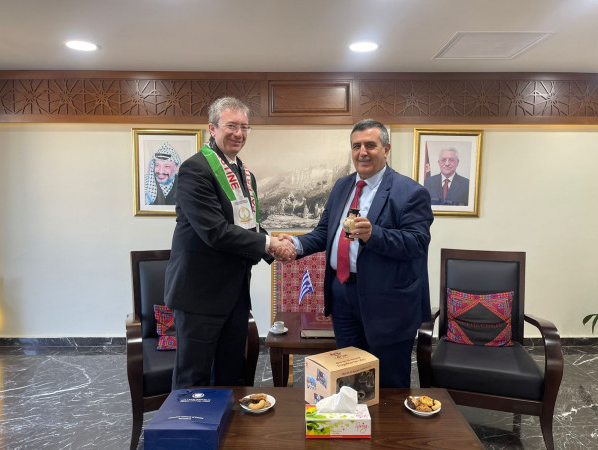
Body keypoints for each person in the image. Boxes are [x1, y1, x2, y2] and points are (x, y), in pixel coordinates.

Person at [278, 119, 433, 388]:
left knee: (389, 383)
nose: (363, 152)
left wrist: (374, 234)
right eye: (356, 146)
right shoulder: (342, 186)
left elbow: (418, 243)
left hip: (388, 302)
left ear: (386, 149)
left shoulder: (410, 192)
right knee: (350, 378)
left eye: (370, 145)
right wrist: (294, 243)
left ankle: (388, 418)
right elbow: (324, 232)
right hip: (343, 297)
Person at [164, 97, 292, 389]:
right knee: (193, 379)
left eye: (244, 127)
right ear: (212, 128)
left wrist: (274, 242)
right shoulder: (195, 170)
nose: (239, 133)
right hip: (199, 296)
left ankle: (225, 421)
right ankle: (190, 422)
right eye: (231, 126)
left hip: (235, 295)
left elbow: (245, 225)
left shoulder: (244, 174)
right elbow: (215, 232)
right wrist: (269, 244)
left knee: (230, 375)